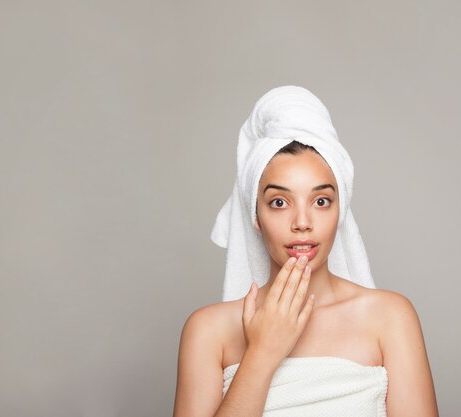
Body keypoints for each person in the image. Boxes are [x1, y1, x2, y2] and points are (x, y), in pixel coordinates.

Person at [173, 87, 438, 417]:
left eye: (321, 201)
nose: (302, 222)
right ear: (255, 215)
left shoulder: (390, 317)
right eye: (279, 203)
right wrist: (262, 353)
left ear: (340, 211)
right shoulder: (208, 331)